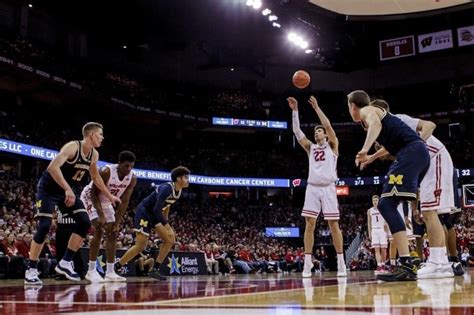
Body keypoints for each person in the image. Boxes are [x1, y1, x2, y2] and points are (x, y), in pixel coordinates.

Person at [362, 99, 456, 278]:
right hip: (427, 161)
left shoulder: (398, 119)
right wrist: (373, 156)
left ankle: (438, 262)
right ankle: (441, 262)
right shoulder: (393, 131)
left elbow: (429, 125)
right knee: (430, 212)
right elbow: (391, 148)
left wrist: (418, 144)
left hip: (435, 157)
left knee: (430, 212)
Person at [347, 91, 429, 281]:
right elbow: (391, 146)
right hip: (417, 154)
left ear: (353, 106)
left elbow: (375, 125)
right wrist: (372, 157)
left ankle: (407, 263)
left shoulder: (368, 111)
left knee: (386, 204)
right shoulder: (380, 113)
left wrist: (365, 149)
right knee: (388, 204)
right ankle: (409, 261)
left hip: (411, 154)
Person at [25, 122, 121, 284]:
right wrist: (68, 189)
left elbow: (95, 177)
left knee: (84, 222)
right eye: (100, 134)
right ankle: (31, 270)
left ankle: (65, 262)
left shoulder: (94, 155)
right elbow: (52, 167)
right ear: (91, 135)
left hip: (66, 191)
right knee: (44, 226)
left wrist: (109, 196)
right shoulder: (72, 147)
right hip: (48, 190)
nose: (102, 138)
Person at [288, 95, 346, 278]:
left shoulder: (333, 146)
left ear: (325, 135)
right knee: (309, 224)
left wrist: (317, 108)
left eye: (319, 132)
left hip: (328, 187)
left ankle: (341, 261)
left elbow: (328, 125)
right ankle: (307, 263)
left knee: (333, 224)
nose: (317, 133)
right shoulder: (310, 148)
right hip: (312, 187)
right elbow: (297, 132)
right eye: (315, 132)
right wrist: (295, 111)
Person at [114, 166, 190, 280]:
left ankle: (154, 269)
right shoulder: (167, 188)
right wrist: (167, 226)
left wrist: (166, 221)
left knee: (170, 239)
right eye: (185, 177)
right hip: (144, 212)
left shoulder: (178, 191)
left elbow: (166, 206)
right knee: (141, 245)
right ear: (178, 179)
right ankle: (117, 266)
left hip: (154, 215)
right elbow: (156, 209)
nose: (188, 179)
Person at [81, 151, 137, 282]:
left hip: (106, 201)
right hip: (90, 197)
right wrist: (100, 215)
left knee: (113, 233)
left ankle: (110, 272)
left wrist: (117, 222)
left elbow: (124, 202)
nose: (129, 169)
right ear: (119, 164)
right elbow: (94, 193)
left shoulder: (132, 178)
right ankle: (91, 270)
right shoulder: (106, 172)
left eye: (131, 167)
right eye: (126, 166)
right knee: (99, 229)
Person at [367, 195, 388, 274]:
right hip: (374, 230)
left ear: (379, 201)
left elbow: (386, 220)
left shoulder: (383, 209)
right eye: (373, 200)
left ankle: (383, 264)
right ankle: (379, 265)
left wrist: (387, 231)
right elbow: (369, 223)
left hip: (382, 230)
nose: (375, 202)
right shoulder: (369, 211)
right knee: (376, 249)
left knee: (383, 249)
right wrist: (369, 233)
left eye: (376, 200)